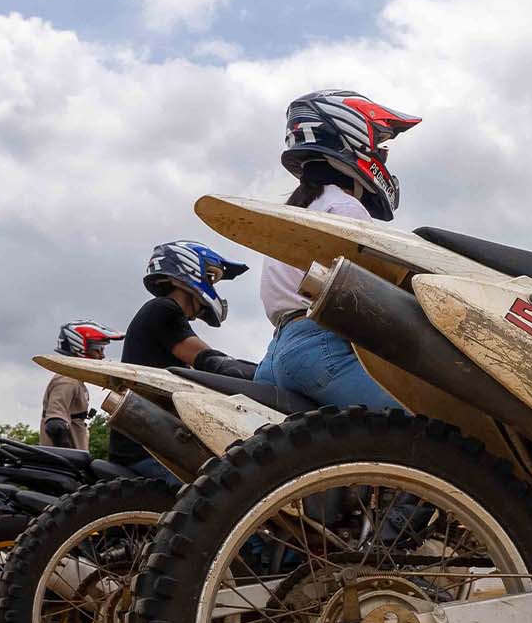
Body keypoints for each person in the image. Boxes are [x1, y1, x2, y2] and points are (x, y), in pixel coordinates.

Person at [254, 90, 415, 411]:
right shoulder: (344, 207)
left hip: (274, 356)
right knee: (427, 431)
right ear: (355, 141)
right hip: (323, 348)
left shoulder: (297, 211)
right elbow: (371, 291)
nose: (383, 157)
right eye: (380, 147)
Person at [106, 241, 251, 481]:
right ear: (190, 271)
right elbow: (209, 361)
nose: (213, 287)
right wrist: (258, 375)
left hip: (147, 442)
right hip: (147, 450)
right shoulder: (163, 310)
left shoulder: (160, 313)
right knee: (219, 494)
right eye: (211, 278)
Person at [42, 321, 121, 450]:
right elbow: (55, 425)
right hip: (65, 464)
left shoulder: (75, 380)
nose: (102, 356)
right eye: (98, 349)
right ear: (80, 348)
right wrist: (70, 458)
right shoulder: (67, 380)